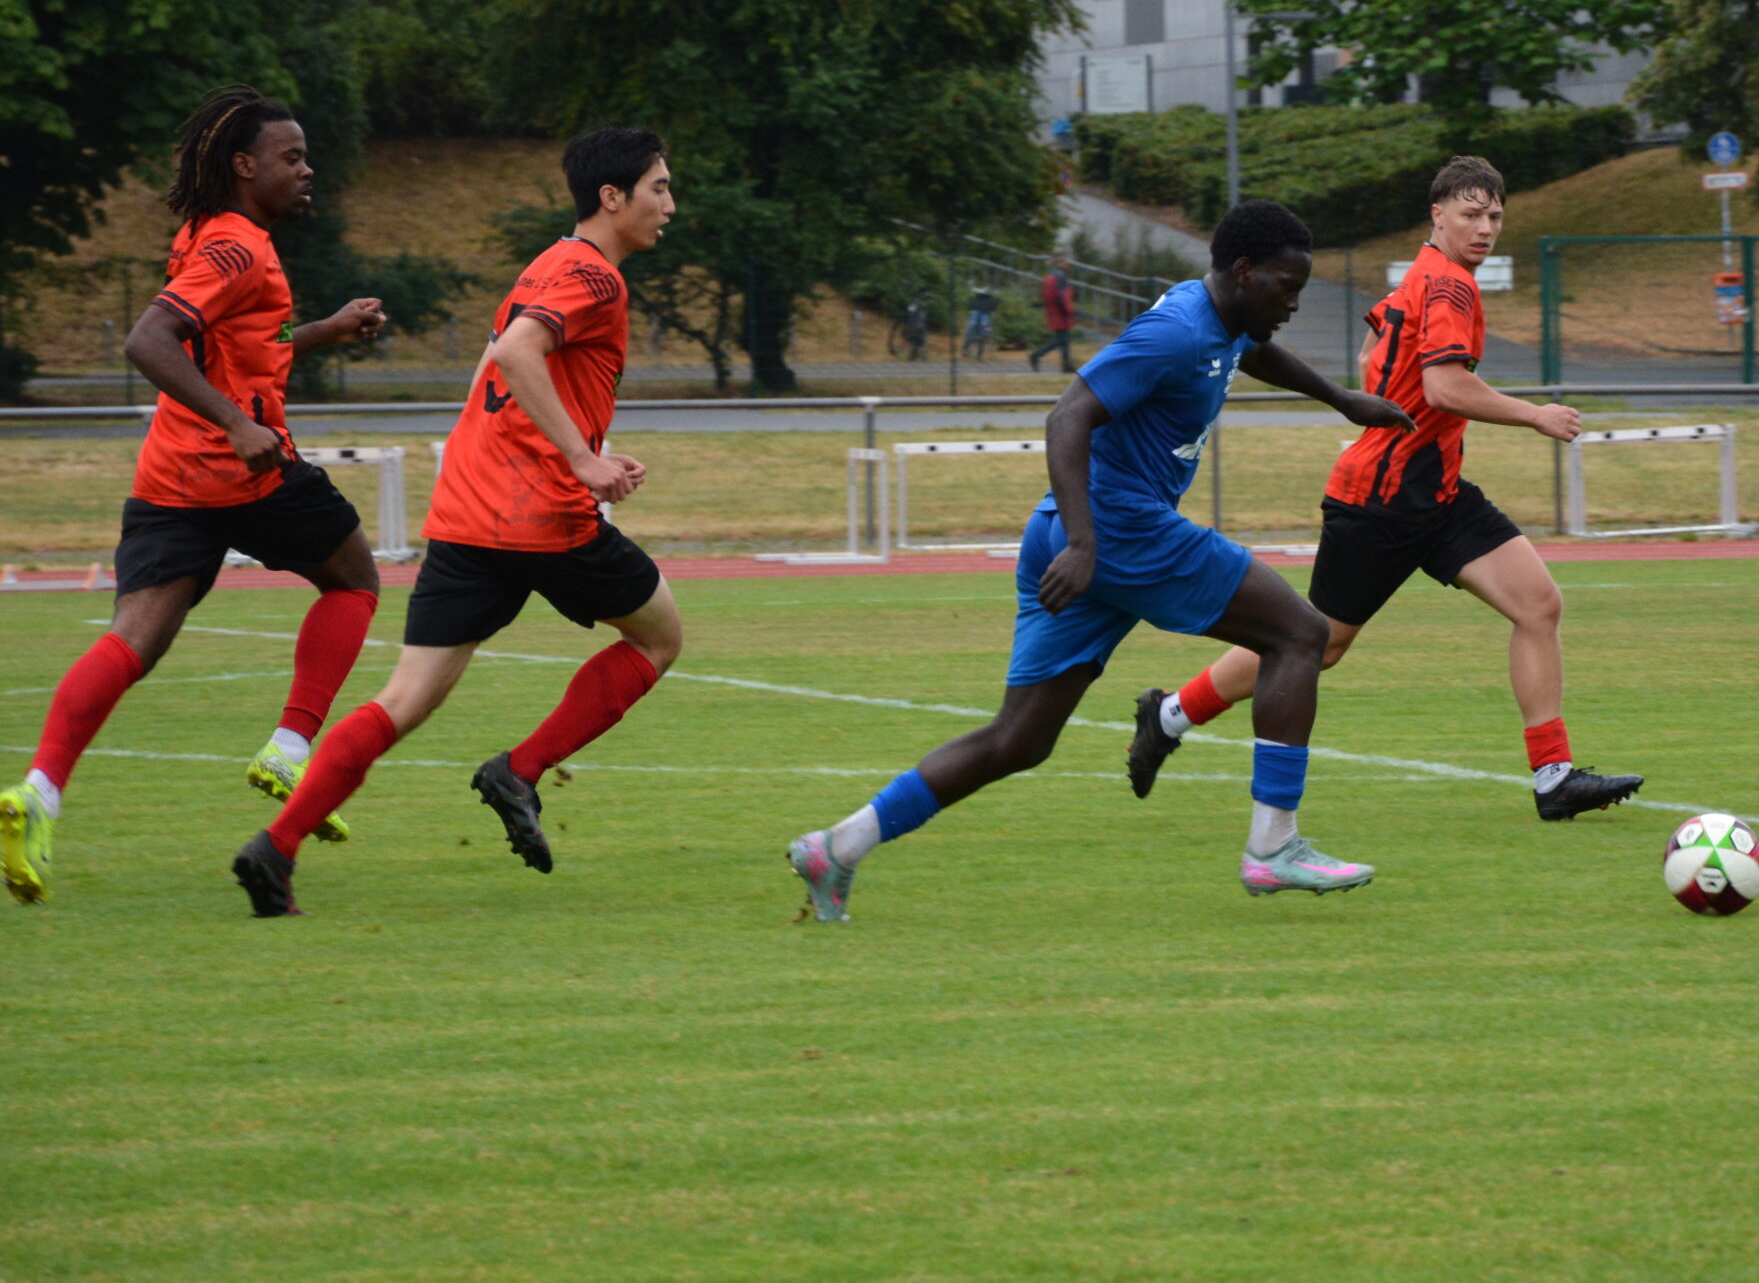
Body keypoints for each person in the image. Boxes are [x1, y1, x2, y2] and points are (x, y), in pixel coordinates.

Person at [784, 202, 1412, 919]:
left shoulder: (1223, 318)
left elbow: (1250, 349)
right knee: (1301, 633)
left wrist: (1340, 399)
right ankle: (1273, 846)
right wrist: (1087, 545)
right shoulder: (1177, 331)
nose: (1294, 303)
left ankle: (837, 847)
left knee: (1019, 739)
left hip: (1068, 532)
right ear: (1244, 271)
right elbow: (1068, 415)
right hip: (1115, 529)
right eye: (1287, 286)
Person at [230, 128, 684, 916]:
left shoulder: (547, 264)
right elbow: (516, 354)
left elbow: (494, 366)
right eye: (660, 188)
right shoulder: (596, 277)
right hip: (544, 514)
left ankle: (274, 847)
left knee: (405, 699)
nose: (670, 205)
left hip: (470, 510)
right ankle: (520, 769)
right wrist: (582, 458)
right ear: (613, 197)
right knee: (658, 638)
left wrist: (530, 450)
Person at [1128, 156, 1643, 822]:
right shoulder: (1449, 286)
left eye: (1494, 215)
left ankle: (1554, 775)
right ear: (1438, 215)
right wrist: (1534, 414)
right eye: (1470, 214)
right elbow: (1444, 386)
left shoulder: (1422, 275)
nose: (1485, 228)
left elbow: (1375, 356)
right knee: (1319, 644)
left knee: (1539, 604)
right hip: (1382, 499)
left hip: (1437, 491)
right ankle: (1170, 714)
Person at [0, 88, 386, 905]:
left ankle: (39, 792)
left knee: (133, 641)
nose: (307, 169)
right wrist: (236, 424)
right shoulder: (240, 246)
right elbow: (150, 339)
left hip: (171, 477)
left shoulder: (208, 236)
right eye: (291, 157)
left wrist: (326, 329)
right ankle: (289, 748)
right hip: (244, 468)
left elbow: (247, 340)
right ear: (245, 166)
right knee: (355, 579)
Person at [1028, 255, 1076, 372]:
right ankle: (1036, 355)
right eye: (1065, 262)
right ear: (1059, 263)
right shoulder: (1060, 277)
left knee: (1064, 339)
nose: (1067, 265)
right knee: (1061, 340)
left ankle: (1066, 365)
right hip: (1060, 312)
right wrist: (1068, 311)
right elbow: (1062, 296)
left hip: (1053, 311)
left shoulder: (1050, 277)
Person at [964, 281, 998, 360]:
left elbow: (992, 309)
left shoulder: (980, 299)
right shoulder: (982, 299)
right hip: (979, 315)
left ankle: (983, 333)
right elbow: (993, 310)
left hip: (982, 316)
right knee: (977, 323)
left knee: (979, 323)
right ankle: (983, 333)